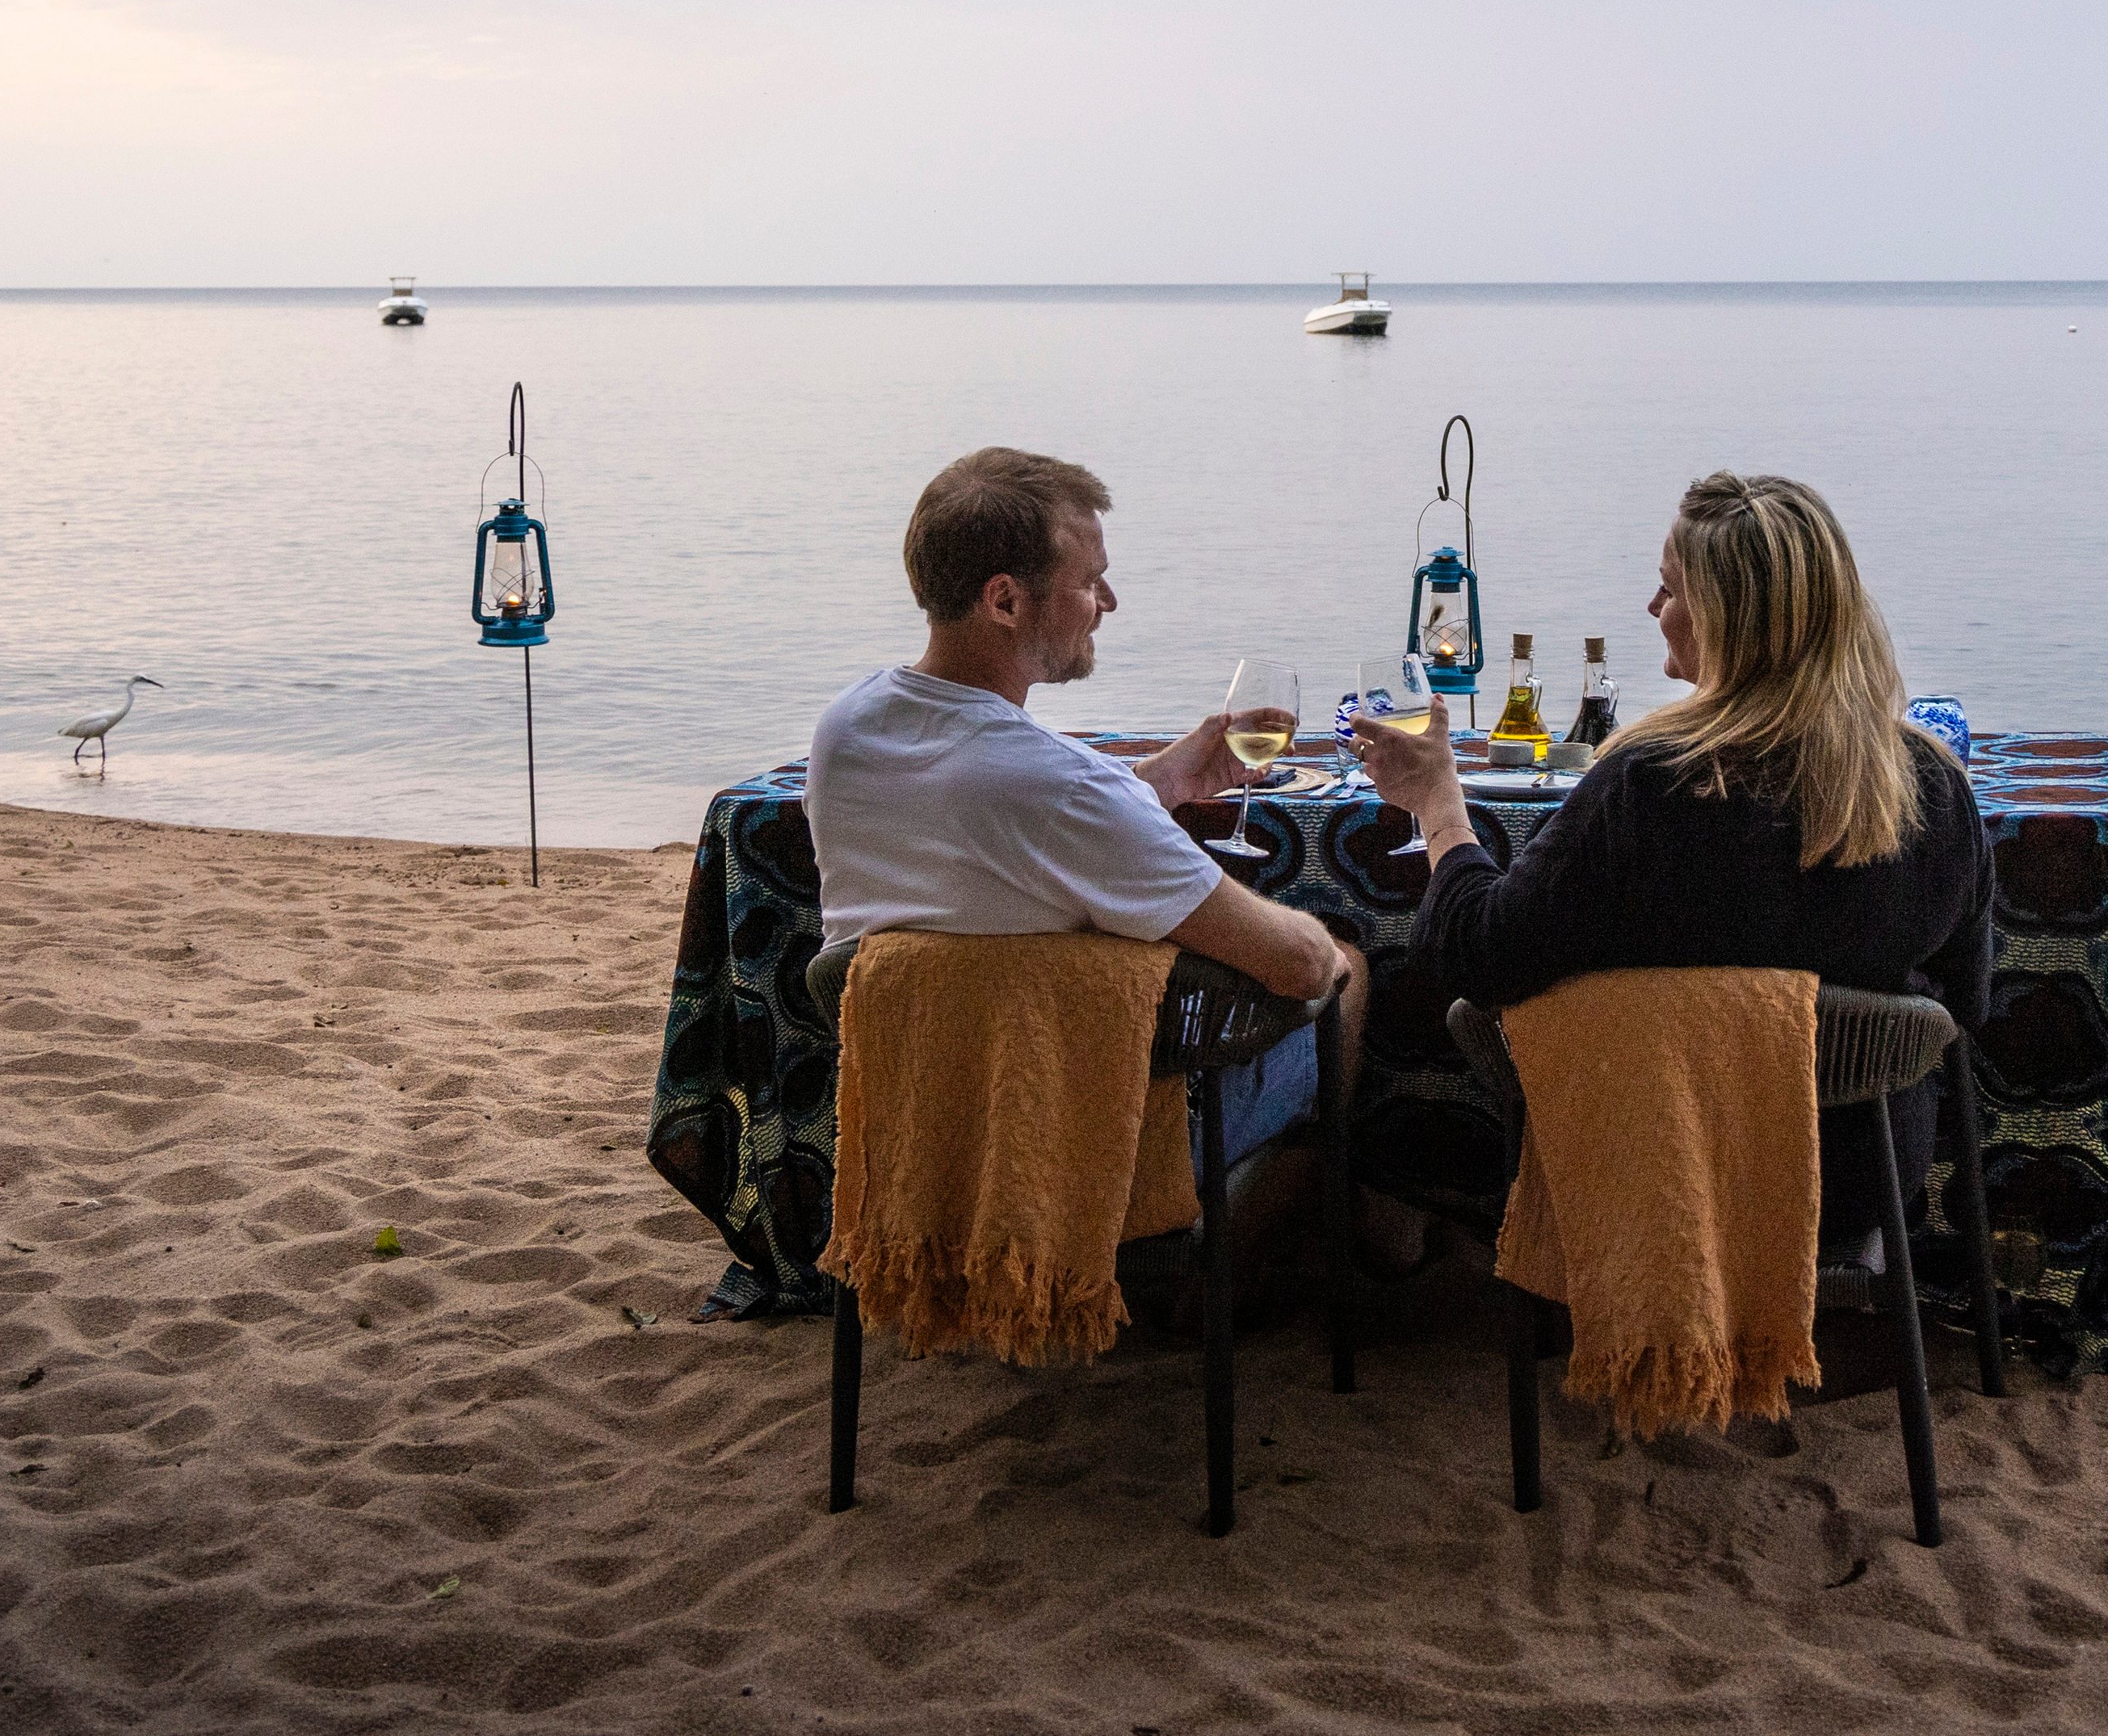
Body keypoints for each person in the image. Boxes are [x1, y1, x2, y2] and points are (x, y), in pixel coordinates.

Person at [1366, 468, 1987, 1252]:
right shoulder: (1934, 786)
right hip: (1856, 1185)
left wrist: (1437, 806)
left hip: (1660, 1172)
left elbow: (1471, 954)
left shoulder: (1648, 786)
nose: (1652, 610)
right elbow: (1966, 1004)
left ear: (1727, 619)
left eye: (1668, 590)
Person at [808, 444, 1352, 1012]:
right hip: (1065, 1080)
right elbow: (1299, 965)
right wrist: (1330, 956)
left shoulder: (846, 727)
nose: (1109, 602)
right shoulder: (1067, 790)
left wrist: (1157, 782)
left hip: (894, 1065)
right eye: (1091, 581)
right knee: (1344, 964)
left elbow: (1002, 827)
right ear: (1004, 600)